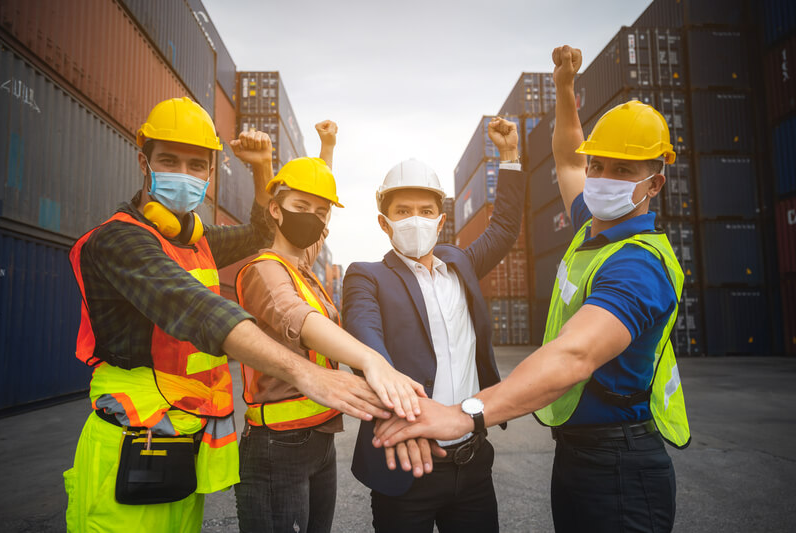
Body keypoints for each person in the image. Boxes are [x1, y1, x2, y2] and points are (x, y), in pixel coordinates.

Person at [373, 45, 691, 533]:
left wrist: (465, 415)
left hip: (622, 460)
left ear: (655, 183)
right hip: (578, 453)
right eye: (599, 166)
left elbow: (573, 358)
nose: (602, 179)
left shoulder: (638, 265)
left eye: (623, 171)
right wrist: (565, 89)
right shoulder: (594, 225)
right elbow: (567, 155)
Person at [64, 97, 391, 533]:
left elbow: (261, 230)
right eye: (169, 160)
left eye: (197, 164)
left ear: (211, 172)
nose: (184, 173)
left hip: (183, 441)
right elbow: (203, 310)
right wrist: (307, 373)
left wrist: (262, 165)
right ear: (144, 161)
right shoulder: (119, 241)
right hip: (130, 445)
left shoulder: (195, 241)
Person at [233, 120, 425, 533]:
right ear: (275, 209)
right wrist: (371, 361)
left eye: (321, 213)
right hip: (277, 444)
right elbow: (301, 321)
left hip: (318, 438)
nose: (313, 219)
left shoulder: (301, 264)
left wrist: (328, 149)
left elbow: (318, 204)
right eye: (300, 208)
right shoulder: (265, 270)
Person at [342, 117, 527, 533]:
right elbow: (364, 336)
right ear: (383, 222)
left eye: (426, 211)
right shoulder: (367, 275)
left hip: (472, 460)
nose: (415, 220)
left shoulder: (461, 264)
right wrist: (403, 415)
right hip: (407, 463)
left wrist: (510, 156)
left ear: (441, 221)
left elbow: (504, 227)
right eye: (402, 211)